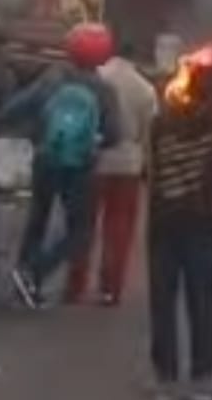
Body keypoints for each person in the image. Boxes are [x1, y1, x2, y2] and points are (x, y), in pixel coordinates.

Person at [0, 22, 120, 308]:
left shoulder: (52, 78)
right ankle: (37, 271)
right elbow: (114, 134)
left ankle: (25, 276)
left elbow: (18, 107)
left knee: (38, 219)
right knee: (80, 230)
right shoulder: (104, 89)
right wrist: (92, 142)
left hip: (45, 157)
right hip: (81, 166)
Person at [146, 64, 212, 400]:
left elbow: (150, 168)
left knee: (162, 299)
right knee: (201, 300)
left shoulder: (161, 121)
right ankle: (201, 381)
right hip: (201, 220)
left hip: (163, 218)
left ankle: (164, 377)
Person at [66, 38, 157, 306]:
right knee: (119, 229)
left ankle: (75, 285)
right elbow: (149, 133)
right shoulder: (145, 89)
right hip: (127, 163)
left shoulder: (96, 78)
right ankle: (110, 288)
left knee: (83, 224)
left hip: (92, 158)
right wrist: (147, 164)